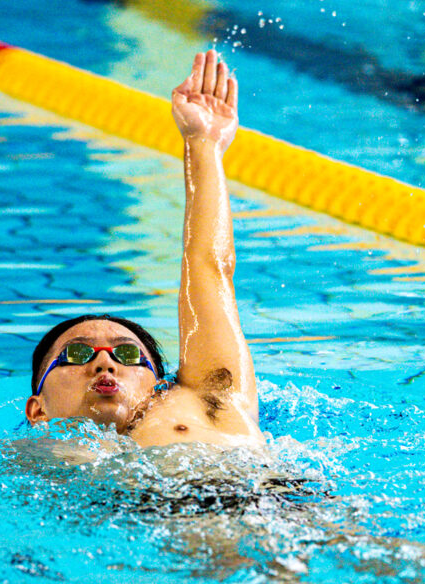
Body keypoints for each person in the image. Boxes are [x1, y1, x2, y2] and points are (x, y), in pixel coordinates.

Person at [25, 50, 264, 449]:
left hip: (280, 504)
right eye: (78, 354)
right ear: (37, 410)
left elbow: (210, 266)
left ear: (159, 386)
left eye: (130, 357)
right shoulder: (29, 461)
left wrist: (203, 142)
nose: (105, 362)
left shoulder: (209, 401)